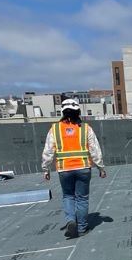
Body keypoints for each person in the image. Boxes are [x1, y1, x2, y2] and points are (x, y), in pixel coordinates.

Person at [41, 98, 106, 238]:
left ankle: (71, 220)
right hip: (83, 168)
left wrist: (45, 169)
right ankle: (82, 228)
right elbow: (95, 150)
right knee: (82, 198)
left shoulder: (55, 129)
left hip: (64, 170)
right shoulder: (85, 128)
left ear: (63, 111)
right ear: (78, 111)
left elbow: (48, 152)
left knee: (68, 196)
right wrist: (101, 168)